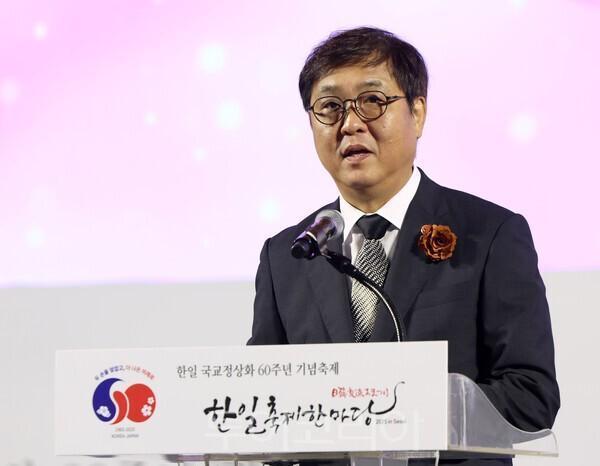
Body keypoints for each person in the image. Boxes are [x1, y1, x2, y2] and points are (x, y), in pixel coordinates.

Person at [248, 27, 560, 465]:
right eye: (330, 107)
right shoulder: (288, 254)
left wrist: (402, 411)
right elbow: (260, 402)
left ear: (417, 113)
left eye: (373, 101)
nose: (350, 123)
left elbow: (531, 395)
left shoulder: (490, 234)